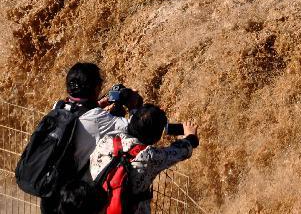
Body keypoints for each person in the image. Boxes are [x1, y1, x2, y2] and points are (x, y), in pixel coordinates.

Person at [40, 63, 142, 213]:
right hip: (76, 200)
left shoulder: (58, 107)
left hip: (49, 192)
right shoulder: (99, 118)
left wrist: (98, 105)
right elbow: (138, 129)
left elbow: (82, 116)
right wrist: (134, 106)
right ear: (96, 88)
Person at [89, 105, 199, 214]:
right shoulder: (148, 156)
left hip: (98, 206)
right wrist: (191, 136)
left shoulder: (106, 141)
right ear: (155, 138)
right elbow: (182, 151)